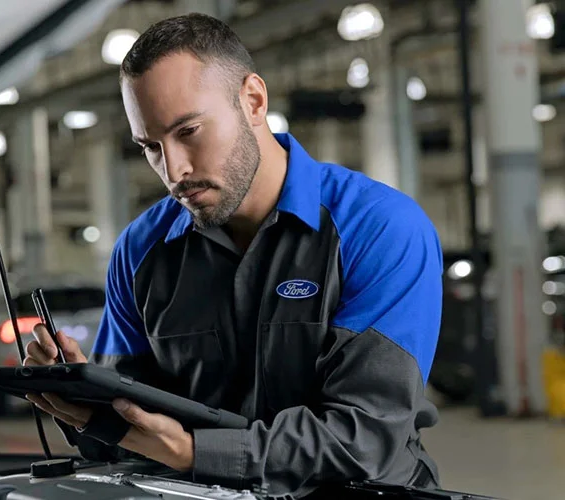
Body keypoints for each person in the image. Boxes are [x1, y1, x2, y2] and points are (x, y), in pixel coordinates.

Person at [23, 12, 443, 498]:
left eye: (189, 131)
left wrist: (192, 453)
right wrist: (82, 404)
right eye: (151, 147)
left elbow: (366, 441)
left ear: (253, 101)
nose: (174, 169)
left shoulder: (380, 229)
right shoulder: (140, 252)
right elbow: (131, 432)